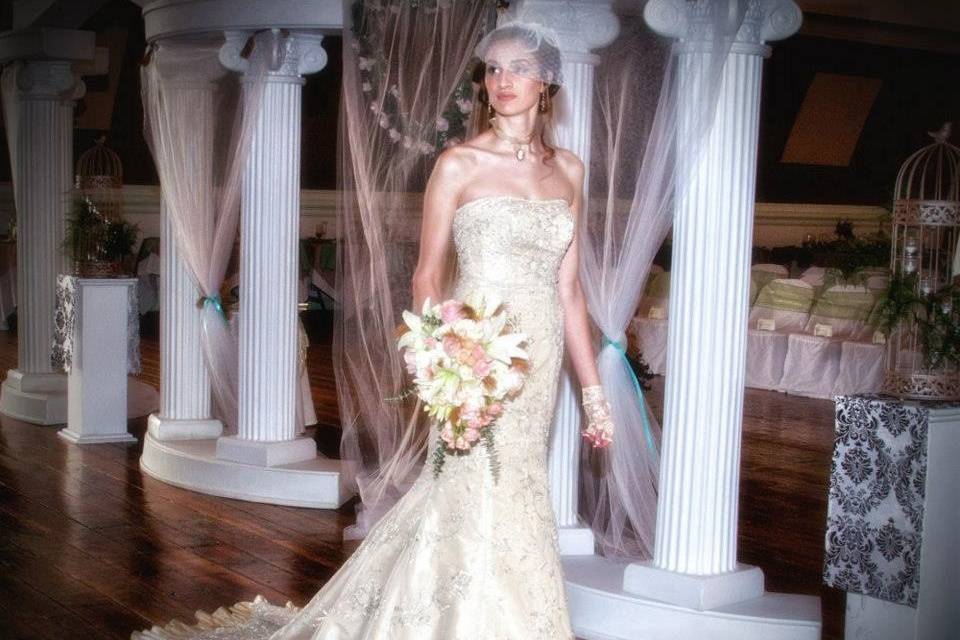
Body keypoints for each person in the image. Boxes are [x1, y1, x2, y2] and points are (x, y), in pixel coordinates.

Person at [134, 21, 613, 640]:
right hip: (475, 356)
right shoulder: (459, 163)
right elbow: (425, 277)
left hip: (538, 357)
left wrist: (594, 393)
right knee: (469, 482)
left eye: (517, 67)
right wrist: (448, 362)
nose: (502, 81)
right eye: (493, 69)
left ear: (547, 80)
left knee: (518, 484)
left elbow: (569, 290)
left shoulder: (570, 170)